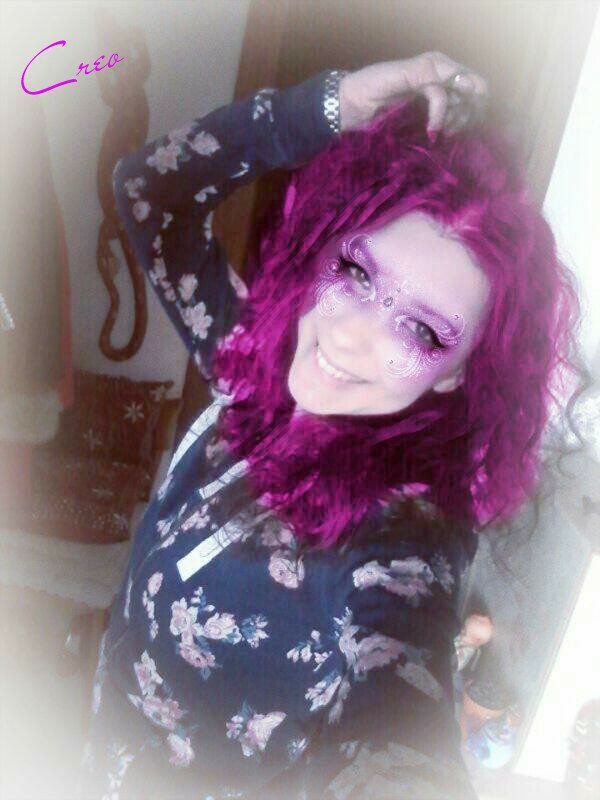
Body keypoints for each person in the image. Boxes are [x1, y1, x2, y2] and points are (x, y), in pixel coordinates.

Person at [78, 52, 581, 800]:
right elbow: (148, 190)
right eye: (356, 273)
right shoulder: (252, 361)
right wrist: (330, 107)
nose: (346, 336)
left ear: (456, 374)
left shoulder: (400, 537)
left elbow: (400, 721)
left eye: (422, 331)